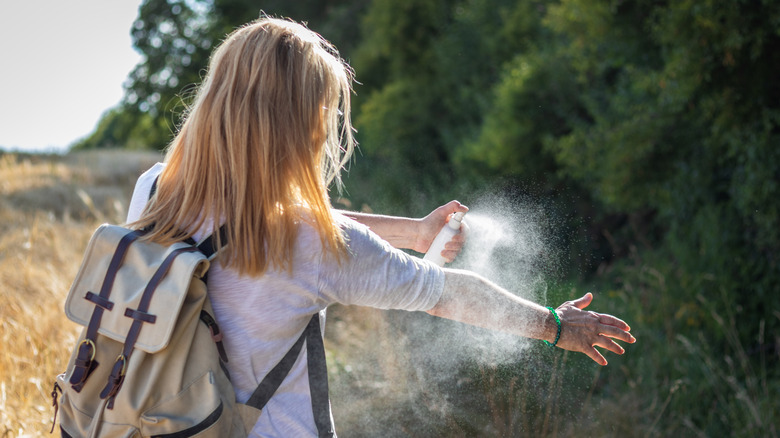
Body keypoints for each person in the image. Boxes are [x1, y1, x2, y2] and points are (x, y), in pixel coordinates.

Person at [127, 17, 635, 437]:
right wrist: (555, 325)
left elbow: (272, 219)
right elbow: (447, 293)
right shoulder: (308, 242)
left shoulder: (155, 190)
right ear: (299, 120)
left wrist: (414, 233)